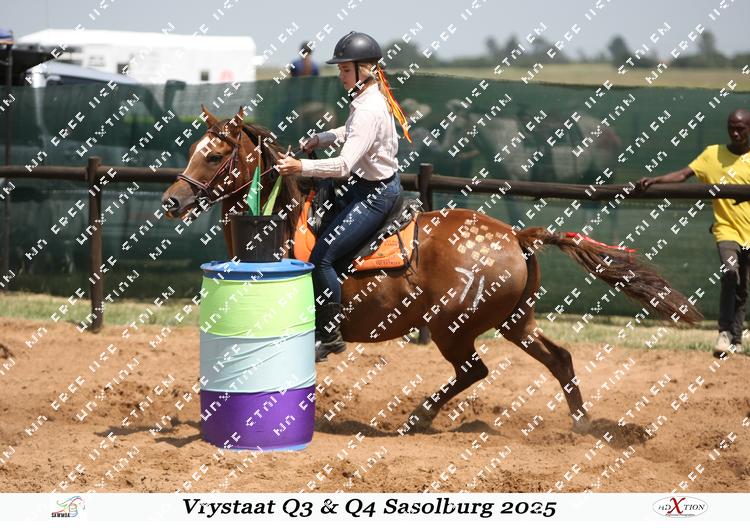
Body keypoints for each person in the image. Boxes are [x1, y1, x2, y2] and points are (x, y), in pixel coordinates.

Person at [275, 31, 413, 361]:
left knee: (321, 257)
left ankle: (329, 336)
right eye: (339, 69)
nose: (340, 75)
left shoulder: (368, 108)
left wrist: (299, 166)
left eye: (345, 69)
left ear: (364, 70)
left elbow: (342, 166)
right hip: (370, 187)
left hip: (374, 195)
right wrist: (322, 138)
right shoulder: (368, 100)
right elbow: (351, 133)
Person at [639, 109, 750, 358]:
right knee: (730, 273)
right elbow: (683, 174)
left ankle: (737, 338)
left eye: (741, 129)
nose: (735, 133)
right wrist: (656, 180)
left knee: (742, 288)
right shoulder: (712, 154)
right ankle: (723, 333)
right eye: (731, 127)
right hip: (726, 229)